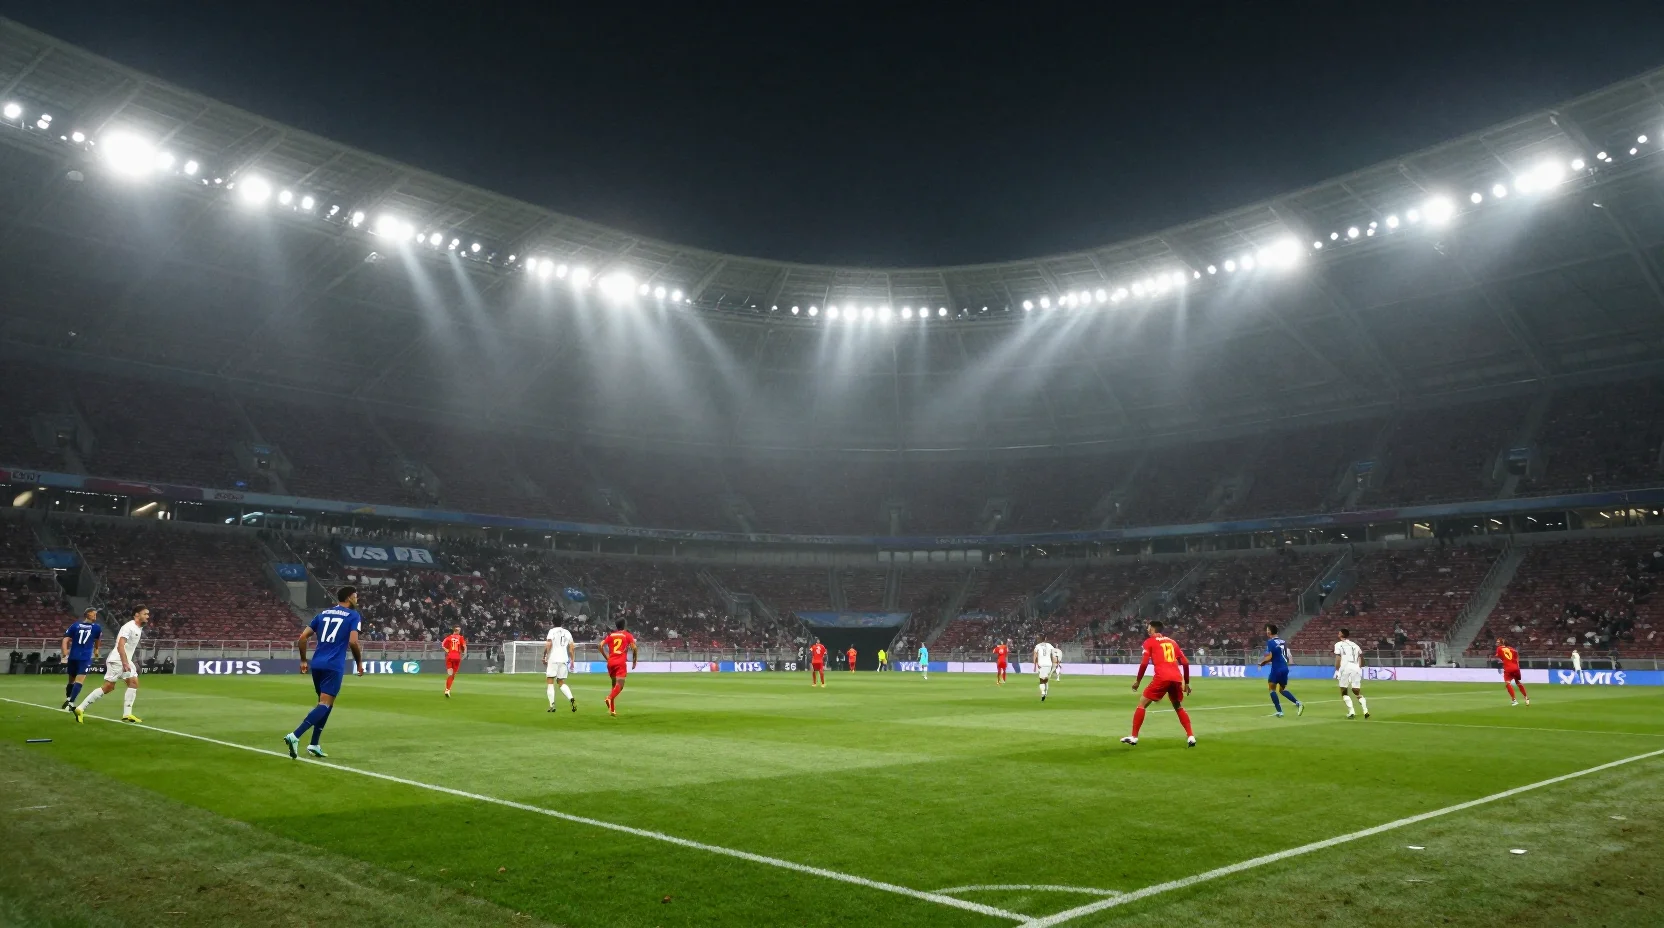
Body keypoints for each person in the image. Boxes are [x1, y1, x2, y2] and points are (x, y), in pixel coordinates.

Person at [283, 587, 365, 759]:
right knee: (325, 704)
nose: (357, 599)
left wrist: (304, 660)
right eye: (356, 597)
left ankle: (314, 744)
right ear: (349, 598)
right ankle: (295, 736)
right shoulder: (353, 615)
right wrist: (359, 662)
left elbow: (302, 638)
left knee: (326, 703)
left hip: (317, 663)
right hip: (333, 665)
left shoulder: (323, 614)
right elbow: (353, 642)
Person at [1121, 621, 1196, 747]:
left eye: (1148, 627)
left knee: (1142, 704)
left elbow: (1144, 663)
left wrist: (1138, 681)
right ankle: (1191, 736)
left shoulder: (1149, 642)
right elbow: (1186, 663)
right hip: (1176, 678)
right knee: (1178, 707)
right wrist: (1186, 683)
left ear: (1152, 629)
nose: (1147, 629)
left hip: (1162, 677)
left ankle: (1134, 737)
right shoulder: (1172, 642)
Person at [74, 606, 147, 724]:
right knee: (109, 686)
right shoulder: (129, 627)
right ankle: (80, 708)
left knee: (131, 683)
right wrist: (124, 662)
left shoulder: (137, 628)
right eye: (145, 614)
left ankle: (127, 714)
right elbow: (120, 646)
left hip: (124, 660)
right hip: (118, 660)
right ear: (137, 615)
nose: (147, 616)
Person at [1256, 623, 1303, 717]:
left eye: (1267, 630)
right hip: (1285, 668)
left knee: (1272, 689)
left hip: (1276, 668)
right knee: (1282, 689)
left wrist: (1262, 663)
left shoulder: (1270, 642)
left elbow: (1270, 657)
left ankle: (1279, 711)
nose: (1266, 631)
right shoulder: (1283, 641)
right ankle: (1298, 703)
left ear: (1269, 632)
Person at [60, 608, 102, 711]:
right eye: (93, 614)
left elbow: (65, 640)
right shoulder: (96, 628)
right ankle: (71, 702)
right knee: (79, 681)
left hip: (73, 656)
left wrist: (65, 652)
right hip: (84, 658)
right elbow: (97, 640)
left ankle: (69, 699)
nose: (95, 616)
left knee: (72, 680)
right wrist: (96, 650)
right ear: (87, 614)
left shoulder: (75, 625)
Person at [601, 619, 638, 717]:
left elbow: (600, 645)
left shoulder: (611, 635)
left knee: (614, 686)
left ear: (616, 626)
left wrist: (607, 658)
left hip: (611, 663)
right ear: (624, 625)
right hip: (620, 662)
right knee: (620, 685)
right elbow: (634, 648)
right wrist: (634, 661)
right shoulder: (627, 635)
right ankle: (608, 698)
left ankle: (612, 710)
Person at [542, 621, 577, 712]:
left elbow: (549, 643)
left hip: (553, 658)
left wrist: (545, 655)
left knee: (550, 681)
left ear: (553, 622)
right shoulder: (567, 632)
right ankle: (571, 699)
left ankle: (552, 705)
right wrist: (572, 660)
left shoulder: (552, 631)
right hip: (563, 659)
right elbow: (571, 647)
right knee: (561, 682)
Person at [1334, 628, 1369, 719]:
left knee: (1344, 690)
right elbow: (1361, 657)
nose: (1338, 634)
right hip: (1356, 667)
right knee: (1356, 691)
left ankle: (1351, 711)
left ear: (1342, 634)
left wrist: (1337, 670)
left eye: (1339, 633)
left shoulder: (1338, 644)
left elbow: (1338, 658)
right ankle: (1365, 711)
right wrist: (1359, 668)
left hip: (1345, 667)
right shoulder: (1355, 645)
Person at [1496, 638, 1529, 706]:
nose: (1497, 643)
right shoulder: (1511, 648)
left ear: (1501, 643)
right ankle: (1526, 698)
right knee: (1518, 682)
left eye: (1498, 642)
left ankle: (1514, 700)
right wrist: (1517, 663)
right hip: (1516, 668)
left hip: (1508, 668)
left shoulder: (1499, 648)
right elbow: (1516, 654)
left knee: (1508, 683)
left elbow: (1498, 656)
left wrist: (1503, 660)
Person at [441, 625, 467, 698]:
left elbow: (442, 645)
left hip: (449, 657)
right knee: (453, 675)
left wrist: (447, 650)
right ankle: (447, 690)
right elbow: (464, 647)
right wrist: (464, 654)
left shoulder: (448, 638)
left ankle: (447, 690)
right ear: (458, 631)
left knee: (450, 674)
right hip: (457, 657)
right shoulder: (461, 638)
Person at [1034, 637, 1056, 702]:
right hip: (1049, 664)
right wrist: (1054, 663)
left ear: (1040, 639)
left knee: (1041, 680)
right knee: (1046, 679)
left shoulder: (1037, 646)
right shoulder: (1049, 645)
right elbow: (1053, 654)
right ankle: (1046, 692)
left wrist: (1034, 665)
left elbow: (1035, 655)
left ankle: (1043, 693)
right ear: (1045, 639)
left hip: (1041, 664)